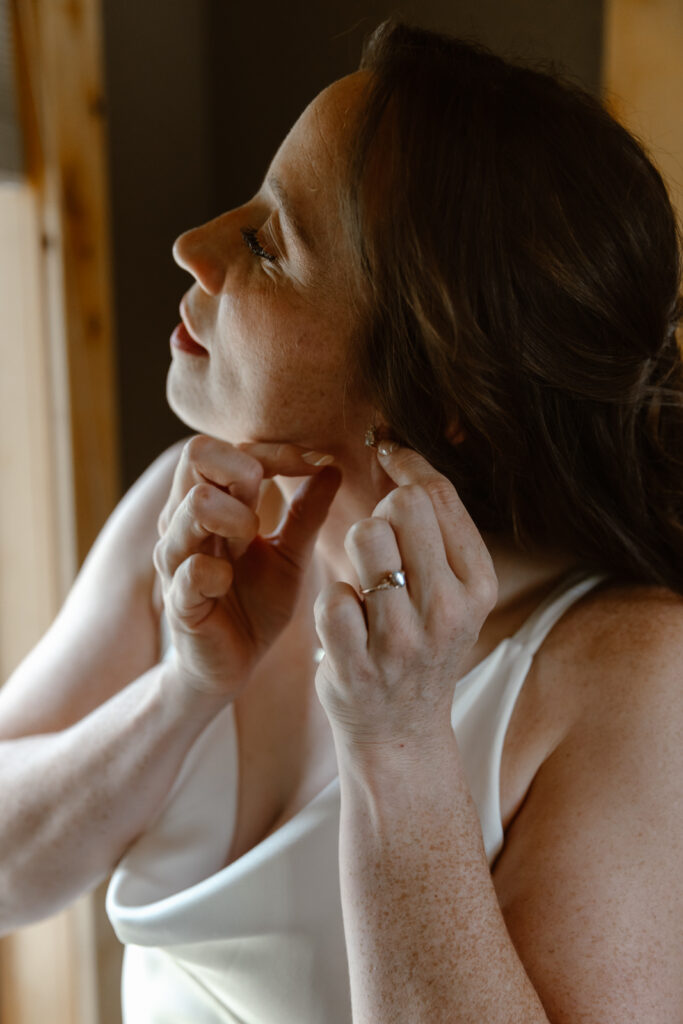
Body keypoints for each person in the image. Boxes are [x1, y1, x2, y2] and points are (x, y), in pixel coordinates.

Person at [1, 18, 682, 1023]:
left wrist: (400, 746)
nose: (192, 246)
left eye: (269, 244)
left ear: (438, 393)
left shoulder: (627, 672)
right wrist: (183, 693)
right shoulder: (194, 508)